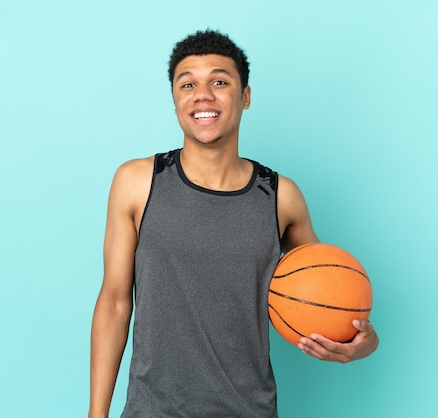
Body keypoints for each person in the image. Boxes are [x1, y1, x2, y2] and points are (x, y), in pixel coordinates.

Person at [89, 29, 379, 418]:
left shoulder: (281, 197)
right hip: (152, 410)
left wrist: (364, 342)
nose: (202, 95)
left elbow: (329, 297)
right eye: (187, 83)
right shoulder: (138, 182)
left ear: (245, 96)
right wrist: (96, 414)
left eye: (219, 81)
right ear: (175, 101)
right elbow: (114, 302)